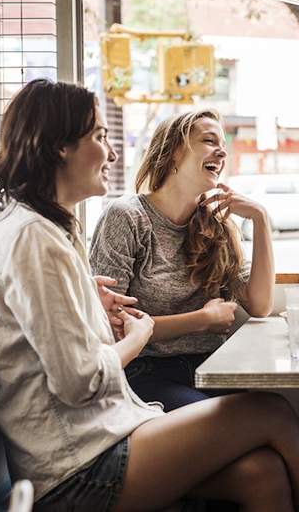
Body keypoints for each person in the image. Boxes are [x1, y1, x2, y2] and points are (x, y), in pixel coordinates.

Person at [0, 79, 299, 512]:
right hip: (75, 468)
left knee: (262, 474)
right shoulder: (37, 238)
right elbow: (79, 382)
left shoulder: (35, 229)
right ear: (60, 147)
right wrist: (140, 334)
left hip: (103, 434)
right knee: (271, 411)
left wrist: (84, 298)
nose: (113, 153)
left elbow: (1, 294)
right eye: (100, 137)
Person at [89, 109, 273, 411]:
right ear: (174, 152)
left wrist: (260, 219)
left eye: (223, 144)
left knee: (265, 441)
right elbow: (113, 327)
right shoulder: (126, 217)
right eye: (209, 140)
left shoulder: (219, 224)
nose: (222, 151)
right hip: (146, 373)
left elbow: (260, 305)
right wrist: (202, 321)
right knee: (259, 419)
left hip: (213, 368)